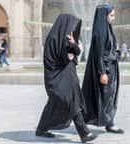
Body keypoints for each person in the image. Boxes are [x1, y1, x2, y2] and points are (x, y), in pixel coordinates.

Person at [35, 14, 97, 143]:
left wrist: (73, 44)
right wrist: (67, 55)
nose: (73, 30)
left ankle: (41, 128)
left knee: (54, 103)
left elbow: (77, 53)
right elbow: (58, 58)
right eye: (72, 27)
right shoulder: (54, 38)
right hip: (57, 77)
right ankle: (84, 133)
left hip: (67, 77)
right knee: (72, 102)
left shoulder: (66, 39)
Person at [82, 4, 124, 134]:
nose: (113, 18)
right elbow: (99, 54)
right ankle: (109, 123)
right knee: (106, 97)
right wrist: (102, 72)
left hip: (111, 67)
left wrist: (116, 53)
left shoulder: (107, 29)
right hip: (106, 69)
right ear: (103, 16)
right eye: (111, 15)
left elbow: (109, 50)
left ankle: (109, 122)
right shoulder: (101, 32)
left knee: (109, 97)